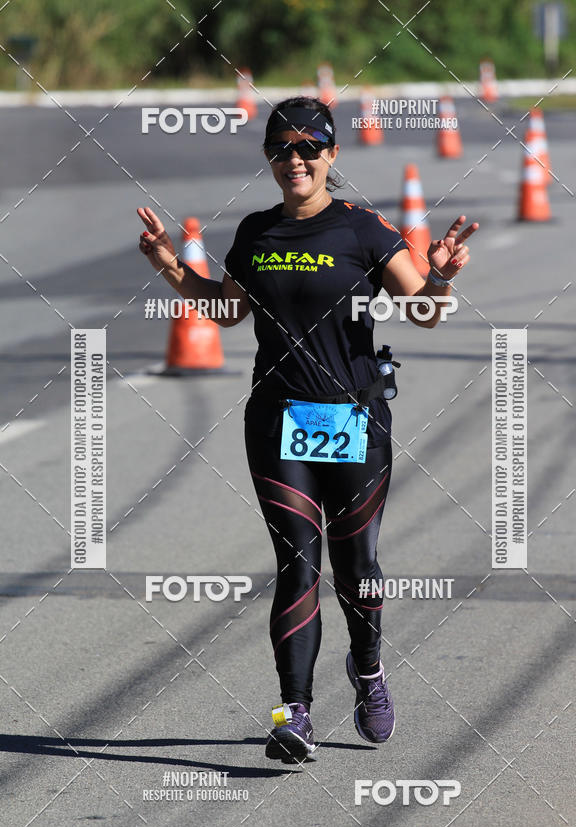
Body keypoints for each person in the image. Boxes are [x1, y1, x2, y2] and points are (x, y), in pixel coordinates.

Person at [137, 96, 478, 764]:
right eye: (280, 149)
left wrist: (439, 278)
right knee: (296, 563)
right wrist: (169, 267)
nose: (294, 160)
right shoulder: (257, 233)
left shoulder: (363, 230)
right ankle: (293, 713)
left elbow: (426, 313)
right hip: (277, 421)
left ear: (331, 156)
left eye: (307, 148)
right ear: (268, 157)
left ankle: (370, 668)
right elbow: (227, 313)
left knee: (358, 569)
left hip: (354, 418)